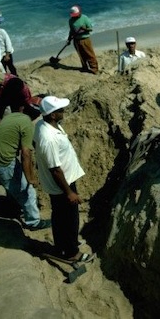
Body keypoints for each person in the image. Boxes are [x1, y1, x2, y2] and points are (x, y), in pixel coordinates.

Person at [33, 96, 93, 262]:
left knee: (61, 217)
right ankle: (71, 253)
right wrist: (69, 192)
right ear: (52, 115)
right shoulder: (49, 138)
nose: (63, 111)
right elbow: (55, 170)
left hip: (64, 182)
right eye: (60, 110)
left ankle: (65, 245)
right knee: (68, 219)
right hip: (61, 185)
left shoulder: (43, 124)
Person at [0, 85, 50, 231]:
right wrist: (30, 178)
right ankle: (33, 222)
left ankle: (13, 207)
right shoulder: (26, 124)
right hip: (3, 161)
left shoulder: (13, 117)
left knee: (11, 184)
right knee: (27, 191)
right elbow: (26, 154)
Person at [67, 5, 98, 74]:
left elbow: (90, 29)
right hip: (76, 40)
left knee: (89, 54)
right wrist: (69, 39)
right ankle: (85, 67)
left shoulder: (84, 18)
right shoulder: (71, 20)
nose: (77, 16)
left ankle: (94, 68)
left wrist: (84, 29)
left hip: (85, 39)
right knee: (81, 55)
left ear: (80, 12)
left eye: (77, 14)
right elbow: (71, 31)